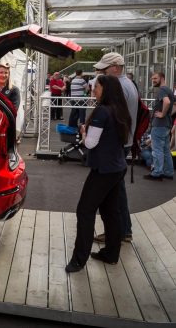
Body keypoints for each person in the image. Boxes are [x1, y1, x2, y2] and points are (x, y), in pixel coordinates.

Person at [66, 75, 131, 273]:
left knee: (85, 210)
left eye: (97, 87)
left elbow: (90, 143)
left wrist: (84, 132)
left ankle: (79, 259)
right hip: (117, 167)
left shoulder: (102, 111)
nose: (93, 90)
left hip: (103, 170)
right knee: (111, 211)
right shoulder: (120, 110)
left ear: (106, 89)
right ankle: (111, 253)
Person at [92, 52, 138, 245]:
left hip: (117, 144)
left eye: (104, 69)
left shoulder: (118, 86)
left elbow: (111, 116)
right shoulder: (129, 84)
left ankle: (119, 232)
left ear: (116, 67)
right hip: (125, 142)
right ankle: (122, 230)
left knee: (114, 192)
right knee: (116, 190)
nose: (101, 73)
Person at [144, 72, 174, 181]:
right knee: (166, 150)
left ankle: (157, 173)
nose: (153, 80)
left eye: (155, 78)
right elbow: (173, 105)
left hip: (159, 125)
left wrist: (162, 114)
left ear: (162, 78)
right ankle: (169, 172)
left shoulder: (162, 90)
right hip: (166, 125)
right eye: (152, 79)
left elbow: (167, 102)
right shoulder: (169, 90)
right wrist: (167, 115)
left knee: (157, 150)